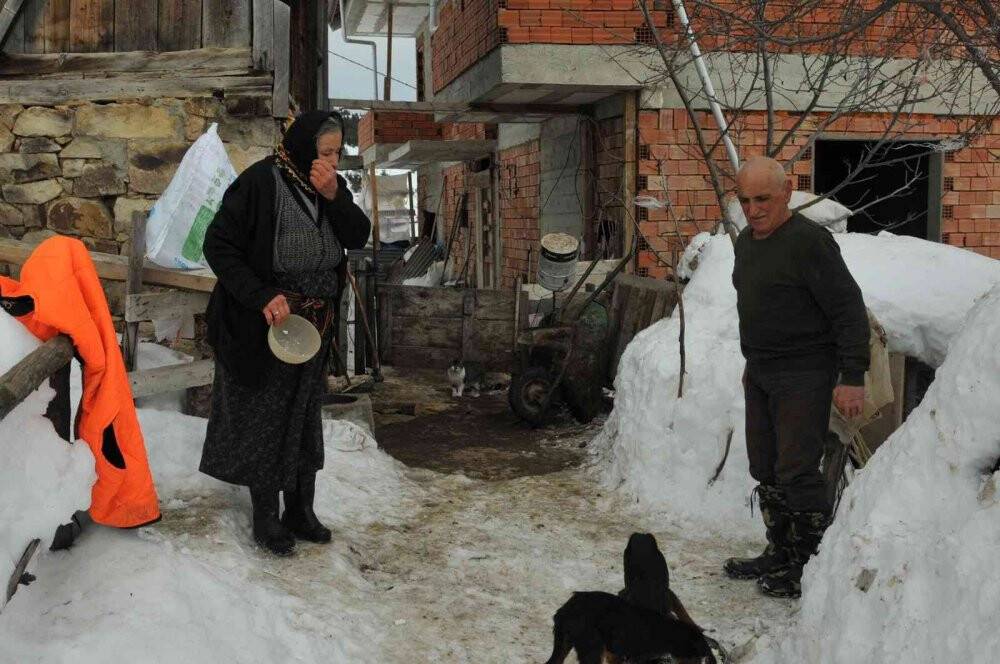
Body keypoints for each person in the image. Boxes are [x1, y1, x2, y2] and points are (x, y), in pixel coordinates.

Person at [200, 111, 371, 556]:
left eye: (338, 153)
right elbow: (217, 244)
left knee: (303, 413)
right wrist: (260, 296)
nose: (333, 161)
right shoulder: (260, 184)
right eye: (326, 152)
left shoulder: (330, 187)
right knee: (266, 416)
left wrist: (335, 196)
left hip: (314, 326)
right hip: (269, 324)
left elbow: (358, 234)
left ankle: (300, 509)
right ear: (301, 149)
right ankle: (266, 516)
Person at [724, 156, 869, 598]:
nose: (753, 209)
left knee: (797, 470)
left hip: (805, 372)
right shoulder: (747, 243)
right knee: (764, 465)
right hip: (763, 372)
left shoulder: (810, 243)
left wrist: (852, 376)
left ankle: (808, 565)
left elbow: (848, 309)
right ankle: (780, 551)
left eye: (763, 198)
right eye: (745, 200)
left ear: (787, 193)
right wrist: (755, 361)